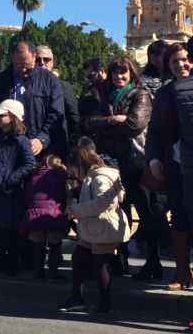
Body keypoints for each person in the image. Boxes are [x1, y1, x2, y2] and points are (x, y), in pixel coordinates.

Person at [84, 56, 157, 280]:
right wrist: (114, 119)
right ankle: (119, 260)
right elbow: (89, 122)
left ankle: (153, 262)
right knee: (116, 212)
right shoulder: (107, 96)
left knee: (145, 212)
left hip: (135, 163)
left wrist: (107, 125)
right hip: (112, 165)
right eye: (115, 72)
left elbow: (135, 125)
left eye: (123, 72)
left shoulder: (140, 95)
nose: (119, 76)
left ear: (131, 73)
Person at [58, 143, 129, 314]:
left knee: (99, 264)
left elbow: (103, 202)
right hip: (94, 227)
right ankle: (77, 298)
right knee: (79, 259)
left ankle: (105, 302)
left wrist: (77, 210)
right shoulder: (96, 175)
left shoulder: (100, 178)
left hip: (103, 227)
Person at [145, 42, 191, 290]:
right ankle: (182, 271)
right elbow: (153, 132)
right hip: (173, 164)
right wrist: (153, 160)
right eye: (174, 61)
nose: (180, 64)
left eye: (185, 60)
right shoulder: (164, 93)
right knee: (179, 216)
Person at [0, 99, 35, 275]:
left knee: (9, 227)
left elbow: (29, 164)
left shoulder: (21, 140)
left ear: (12, 117)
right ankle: (2, 260)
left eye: (1, 115)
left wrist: (11, 179)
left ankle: (12, 262)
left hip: (9, 191)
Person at [0, 40, 66, 159]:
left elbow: (56, 113)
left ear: (34, 58)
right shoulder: (1, 80)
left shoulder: (49, 80)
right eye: (19, 65)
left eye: (27, 65)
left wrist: (42, 138)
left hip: (40, 150)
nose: (23, 70)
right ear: (12, 59)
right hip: (8, 147)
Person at [21, 154, 69, 281]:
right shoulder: (59, 179)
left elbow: (27, 197)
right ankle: (53, 272)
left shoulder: (33, 178)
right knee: (54, 244)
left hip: (35, 215)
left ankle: (39, 273)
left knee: (38, 245)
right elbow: (62, 198)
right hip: (53, 215)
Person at [35, 45, 80, 149]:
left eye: (46, 59)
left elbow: (74, 118)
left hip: (56, 147)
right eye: (38, 59)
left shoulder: (63, 86)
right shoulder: (25, 86)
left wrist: (67, 140)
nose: (42, 62)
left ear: (52, 63)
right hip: (32, 146)